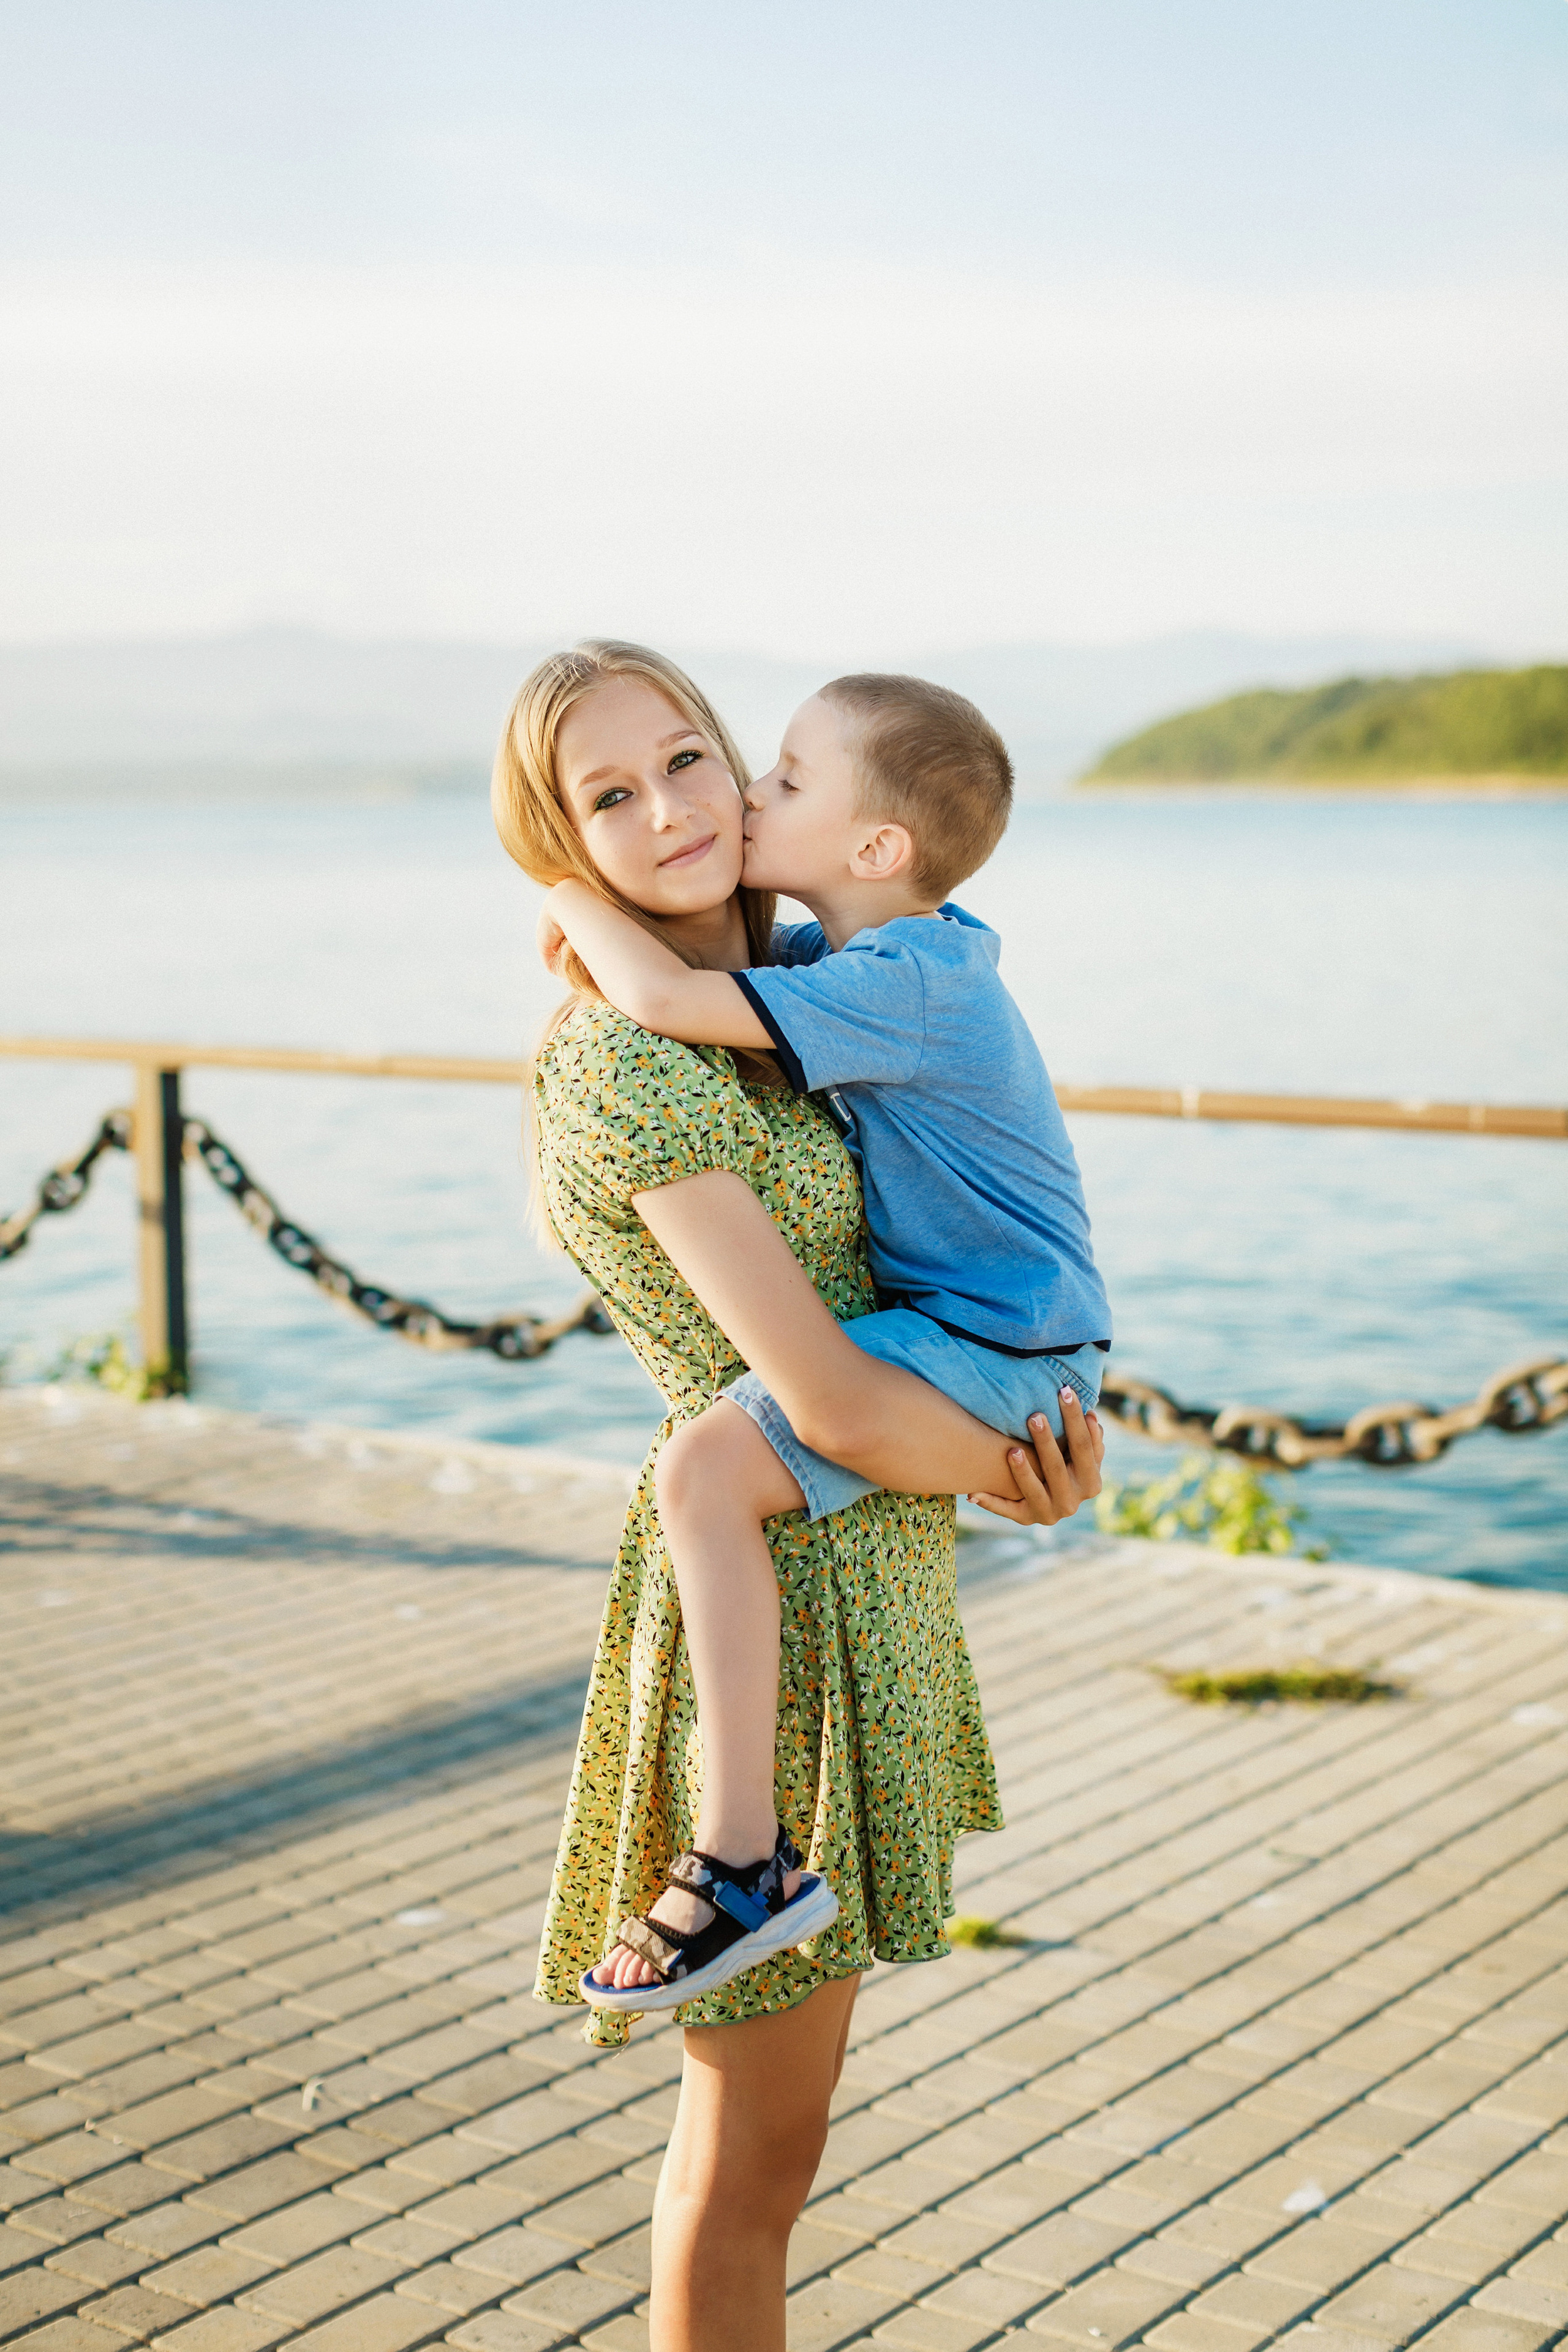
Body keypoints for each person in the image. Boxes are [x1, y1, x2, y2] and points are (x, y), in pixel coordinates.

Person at [492, 639, 1104, 2352]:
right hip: (769, 1586)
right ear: (561, 842)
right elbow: (829, 1399)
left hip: (865, 1570)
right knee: (746, 2163)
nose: (681, 810)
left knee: (784, 2153)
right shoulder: (627, 1064)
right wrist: (1015, 1468)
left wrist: (1016, 1469)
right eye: (610, 797)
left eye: (696, 759)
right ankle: (735, 1856)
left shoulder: (818, 968)